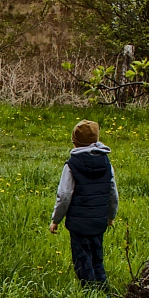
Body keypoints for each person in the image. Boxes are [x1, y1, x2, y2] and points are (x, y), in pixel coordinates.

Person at [49, 119, 118, 289]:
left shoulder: (72, 165)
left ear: (74, 141)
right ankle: (104, 290)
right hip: (98, 221)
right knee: (97, 258)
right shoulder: (106, 163)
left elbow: (64, 195)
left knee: (82, 260)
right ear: (96, 139)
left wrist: (56, 220)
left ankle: (90, 292)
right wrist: (111, 216)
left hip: (79, 224)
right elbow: (112, 193)